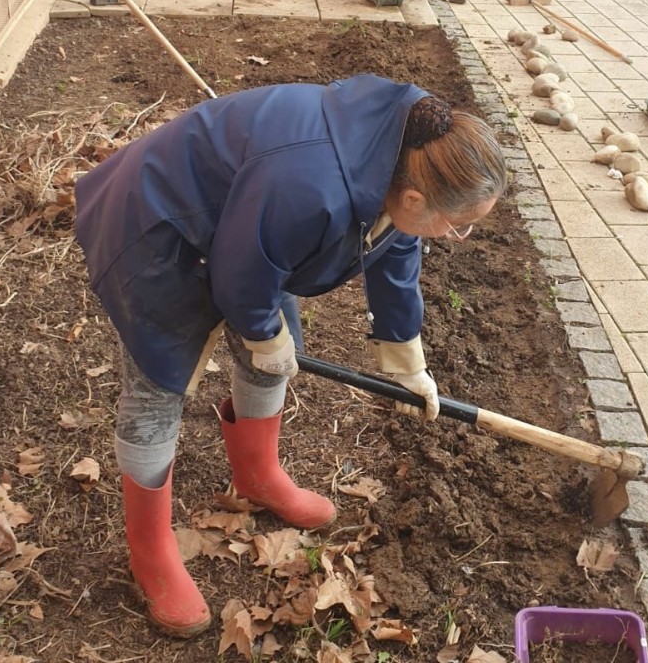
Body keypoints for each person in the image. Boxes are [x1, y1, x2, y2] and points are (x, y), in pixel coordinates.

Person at [73, 73, 508, 638]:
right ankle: (150, 547)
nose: (455, 235)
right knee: (157, 390)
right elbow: (241, 272)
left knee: (275, 348)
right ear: (416, 198)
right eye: (458, 225)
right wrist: (262, 333)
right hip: (159, 224)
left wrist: (408, 365)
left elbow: (395, 254)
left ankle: (257, 475)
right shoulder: (311, 186)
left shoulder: (404, 159)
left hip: (246, 225)